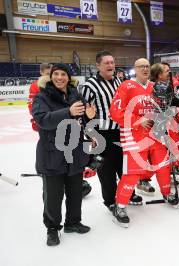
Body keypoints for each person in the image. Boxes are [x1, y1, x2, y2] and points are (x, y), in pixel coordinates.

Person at [109, 60, 179, 227]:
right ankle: (120, 206)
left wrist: (176, 104)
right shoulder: (126, 86)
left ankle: (166, 193)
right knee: (133, 173)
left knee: (162, 165)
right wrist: (136, 120)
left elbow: (165, 111)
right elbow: (115, 111)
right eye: (141, 66)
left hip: (156, 133)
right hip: (133, 135)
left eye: (147, 66)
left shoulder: (155, 86)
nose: (145, 69)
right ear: (135, 69)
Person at [32, 64, 95, 246]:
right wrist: (67, 112)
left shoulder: (75, 94)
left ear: (69, 77)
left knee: (75, 192)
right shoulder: (42, 96)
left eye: (63, 74)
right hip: (52, 153)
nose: (60, 77)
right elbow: (42, 120)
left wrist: (89, 117)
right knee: (53, 196)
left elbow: (82, 118)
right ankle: (52, 228)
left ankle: (73, 222)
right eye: (56, 74)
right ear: (51, 77)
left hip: (75, 152)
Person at [81, 51, 143, 211]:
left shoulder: (120, 82)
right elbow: (83, 113)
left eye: (112, 62)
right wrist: (90, 135)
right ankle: (110, 200)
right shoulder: (89, 86)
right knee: (106, 170)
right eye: (106, 63)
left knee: (126, 167)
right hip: (102, 134)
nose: (110, 65)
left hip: (122, 132)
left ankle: (128, 193)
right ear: (98, 65)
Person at [28, 63, 51, 132]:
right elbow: (31, 104)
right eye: (47, 74)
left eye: (51, 73)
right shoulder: (35, 86)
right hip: (44, 119)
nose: (49, 76)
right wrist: (36, 117)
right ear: (41, 72)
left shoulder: (57, 83)